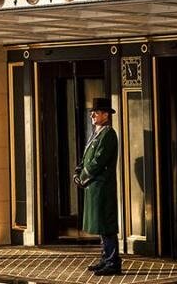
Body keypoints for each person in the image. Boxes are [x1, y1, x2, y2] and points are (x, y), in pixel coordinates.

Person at [75, 96, 120, 275]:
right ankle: (105, 258)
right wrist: (78, 172)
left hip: (103, 187)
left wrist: (83, 176)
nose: (92, 115)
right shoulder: (97, 133)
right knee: (101, 225)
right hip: (94, 186)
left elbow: (98, 161)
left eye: (96, 112)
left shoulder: (108, 134)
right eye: (92, 112)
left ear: (106, 115)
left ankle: (112, 262)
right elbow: (87, 157)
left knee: (107, 225)